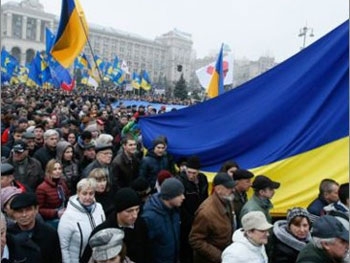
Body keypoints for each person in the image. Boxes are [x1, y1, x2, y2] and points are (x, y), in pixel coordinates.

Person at [81, 187, 150, 263]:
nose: (134, 215)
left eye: (137, 209)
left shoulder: (141, 224)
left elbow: (147, 252)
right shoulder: (102, 231)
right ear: (118, 211)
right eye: (129, 211)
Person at [189, 172, 236, 263]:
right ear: (218, 189)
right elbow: (195, 240)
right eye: (229, 188)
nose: (233, 190)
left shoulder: (228, 200)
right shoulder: (206, 212)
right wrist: (220, 256)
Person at [58, 178, 106, 263]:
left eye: (91, 193)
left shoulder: (99, 207)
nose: (88, 197)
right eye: (84, 193)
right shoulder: (68, 216)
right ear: (78, 193)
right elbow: (63, 247)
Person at [8, 192, 62, 263]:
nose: (24, 215)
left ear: (36, 210)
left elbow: (56, 259)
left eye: (28, 210)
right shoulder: (9, 235)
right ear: (13, 214)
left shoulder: (49, 233)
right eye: (19, 211)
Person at [142, 177, 185, 263]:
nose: (183, 197)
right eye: (179, 194)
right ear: (169, 197)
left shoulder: (175, 209)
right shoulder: (150, 218)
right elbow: (146, 248)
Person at [178, 156, 208, 263]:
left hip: (201, 217)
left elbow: (205, 198)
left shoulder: (203, 179)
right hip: (187, 221)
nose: (191, 175)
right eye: (189, 172)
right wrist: (190, 220)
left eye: (194, 173)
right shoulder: (180, 182)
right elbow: (180, 206)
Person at [35, 159, 70, 229]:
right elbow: (39, 209)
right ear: (49, 171)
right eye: (54, 169)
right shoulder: (41, 188)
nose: (58, 171)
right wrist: (56, 213)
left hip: (64, 214)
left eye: (59, 169)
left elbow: (67, 197)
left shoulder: (62, 183)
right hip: (51, 219)